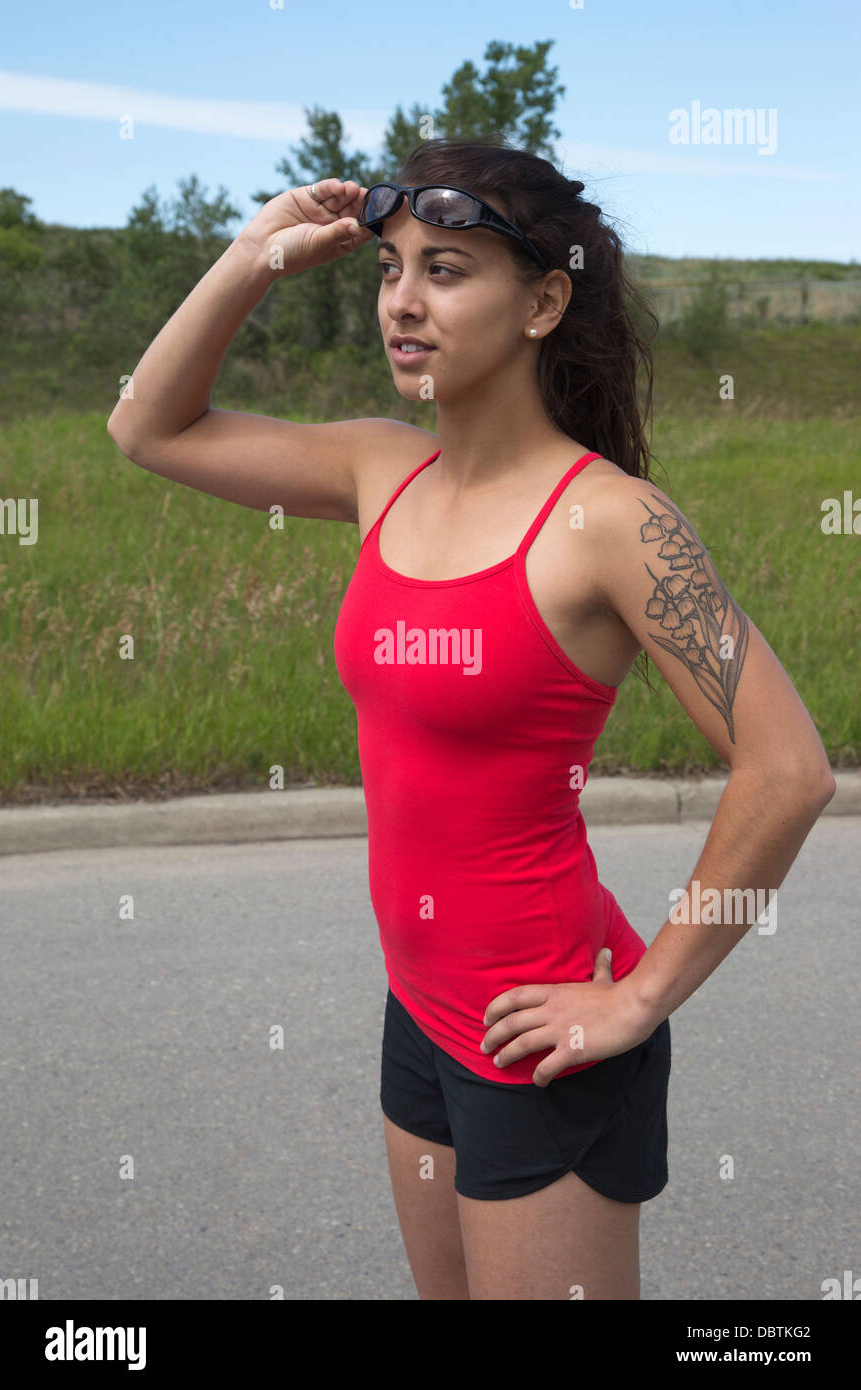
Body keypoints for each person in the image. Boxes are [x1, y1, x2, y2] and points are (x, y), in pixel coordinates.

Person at [107, 138, 836, 1301]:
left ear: (543, 300)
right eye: (390, 267)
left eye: (445, 269)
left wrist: (638, 995)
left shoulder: (610, 521)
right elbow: (146, 427)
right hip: (418, 1013)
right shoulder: (376, 468)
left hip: (536, 1034)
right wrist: (255, 253)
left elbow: (787, 769)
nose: (403, 298)